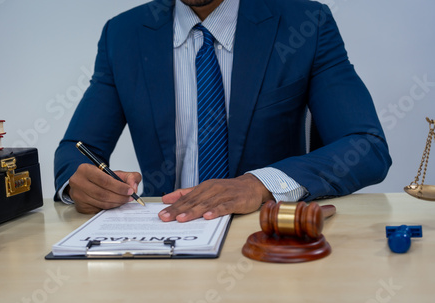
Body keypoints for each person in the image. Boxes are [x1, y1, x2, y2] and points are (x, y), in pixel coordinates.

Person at [54, 0, 392, 222]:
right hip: (168, 234)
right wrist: (78, 183)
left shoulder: (306, 23)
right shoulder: (123, 34)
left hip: (266, 233)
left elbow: (366, 146)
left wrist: (259, 183)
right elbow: (76, 150)